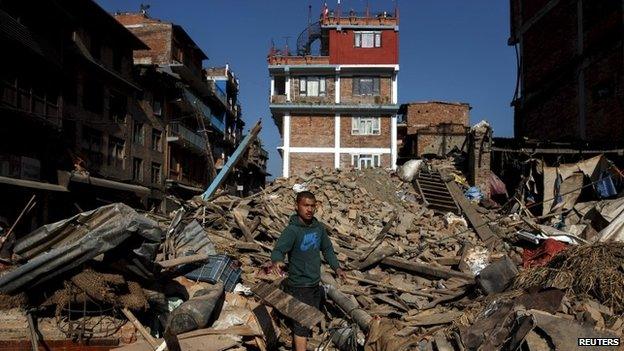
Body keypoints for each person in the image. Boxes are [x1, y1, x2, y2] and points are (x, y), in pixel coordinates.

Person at [270, 190, 346, 351]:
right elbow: (278, 250)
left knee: (306, 321)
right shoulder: (292, 231)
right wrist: (277, 261)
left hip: (313, 284)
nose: (309, 209)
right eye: (305, 206)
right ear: (296, 206)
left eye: (312, 206)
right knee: (301, 325)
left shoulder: (318, 229)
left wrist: (337, 267)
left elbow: (327, 249)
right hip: (298, 285)